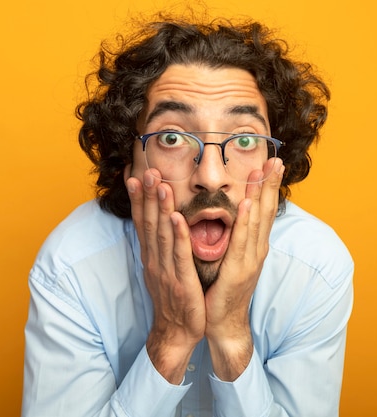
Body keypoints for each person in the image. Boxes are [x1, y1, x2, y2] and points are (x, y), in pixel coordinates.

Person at [22, 12, 354, 417]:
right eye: (172, 137)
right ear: (128, 164)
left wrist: (231, 336)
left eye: (245, 138)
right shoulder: (71, 266)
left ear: (274, 164)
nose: (211, 177)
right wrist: (171, 339)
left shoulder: (315, 267)